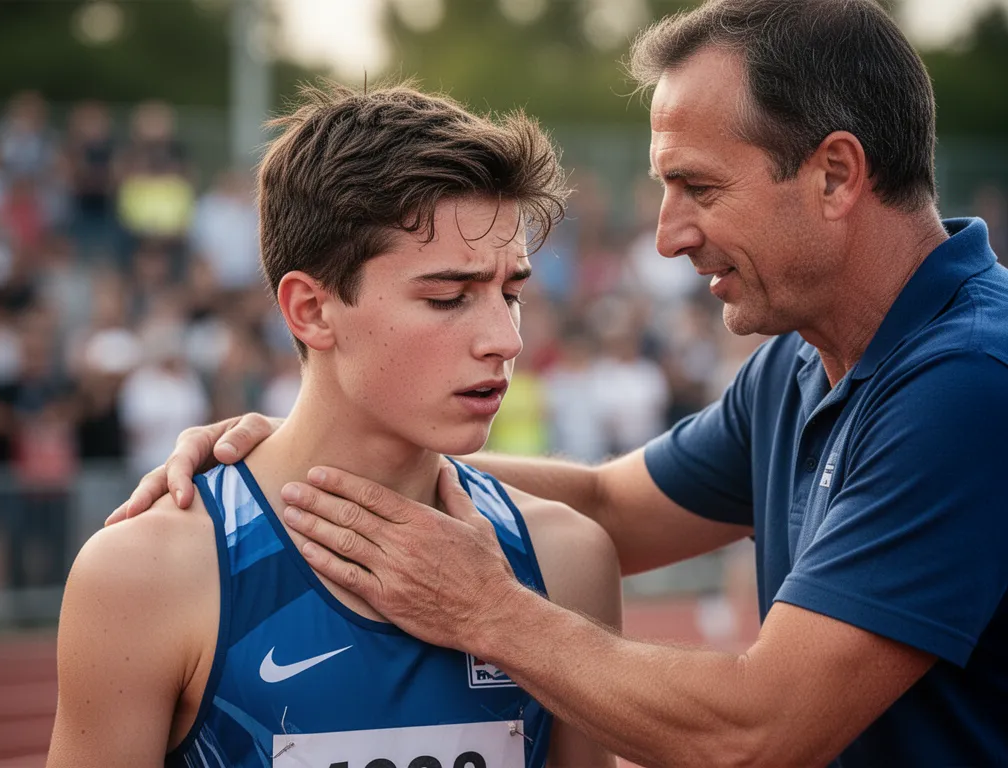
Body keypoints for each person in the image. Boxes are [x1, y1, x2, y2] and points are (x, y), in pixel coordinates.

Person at [116, 0, 1008, 765]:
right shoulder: (801, 364)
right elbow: (609, 507)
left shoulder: (971, 380)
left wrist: (491, 611)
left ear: (836, 174)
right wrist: (307, 448)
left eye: (698, 187)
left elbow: (759, 732)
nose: (667, 236)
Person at [50, 82, 621, 768]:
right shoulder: (144, 573)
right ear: (311, 311)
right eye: (448, 298)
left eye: (513, 293)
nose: (506, 339)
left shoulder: (568, 558)